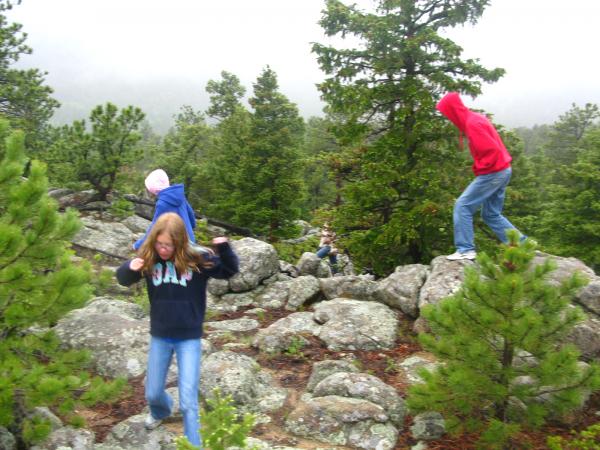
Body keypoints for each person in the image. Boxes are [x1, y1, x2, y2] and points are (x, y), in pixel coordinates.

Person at [116, 212, 239, 448]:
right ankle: (161, 412)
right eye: (160, 244)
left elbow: (229, 271)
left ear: (180, 242)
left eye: (168, 245)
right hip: (160, 335)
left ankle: (194, 445)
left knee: (188, 401)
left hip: (189, 338)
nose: (163, 249)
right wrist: (130, 267)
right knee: (152, 393)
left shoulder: (198, 259)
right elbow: (123, 279)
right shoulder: (150, 258)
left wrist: (224, 249)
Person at [436, 92, 525, 260]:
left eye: (447, 113)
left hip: (494, 171)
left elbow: (491, 150)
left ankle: (465, 250)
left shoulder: (473, 124)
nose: (447, 117)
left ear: (453, 110)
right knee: (491, 214)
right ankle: (521, 245)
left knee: (462, 206)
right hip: (503, 170)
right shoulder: (474, 119)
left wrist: (479, 168)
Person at [133, 169, 197, 250]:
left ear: (153, 188)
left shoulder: (162, 204)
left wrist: (138, 245)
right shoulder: (179, 195)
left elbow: (154, 227)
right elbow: (191, 214)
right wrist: (191, 229)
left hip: (179, 244)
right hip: (190, 240)